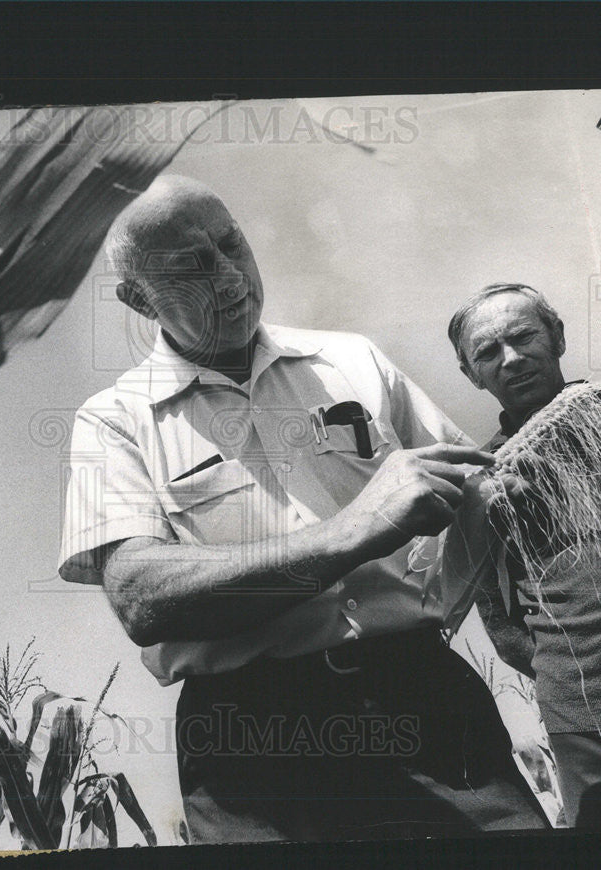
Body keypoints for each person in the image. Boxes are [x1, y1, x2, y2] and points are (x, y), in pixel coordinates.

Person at [58, 176, 548, 843]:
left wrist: (517, 634)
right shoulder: (114, 420)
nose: (230, 276)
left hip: (424, 698)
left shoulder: (353, 359)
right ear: (138, 299)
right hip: (250, 742)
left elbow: (484, 504)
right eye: (193, 267)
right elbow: (143, 599)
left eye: (232, 244)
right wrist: (353, 530)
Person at [447, 283, 601, 830]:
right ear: (474, 376)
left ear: (559, 337)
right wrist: (567, 670)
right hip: (595, 725)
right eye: (488, 353)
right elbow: (498, 619)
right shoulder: (481, 482)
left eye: (523, 337)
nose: (512, 359)